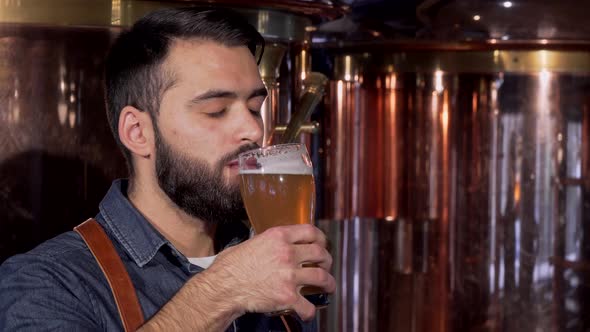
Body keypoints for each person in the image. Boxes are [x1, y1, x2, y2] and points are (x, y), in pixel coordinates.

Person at [0, 7, 335, 331]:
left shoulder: (270, 263)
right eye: (216, 110)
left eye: (253, 107)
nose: (252, 130)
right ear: (138, 132)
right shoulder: (49, 281)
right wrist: (224, 290)